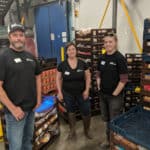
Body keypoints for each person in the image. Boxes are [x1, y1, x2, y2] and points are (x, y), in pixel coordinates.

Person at [0, 23, 41, 150]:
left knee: (27, 142)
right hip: (15, 113)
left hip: (31, 109)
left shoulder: (31, 57)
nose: (18, 38)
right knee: (16, 146)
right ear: (10, 37)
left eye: (21, 35)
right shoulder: (3, 57)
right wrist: (13, 109)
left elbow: (38, 77)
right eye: (15, 35)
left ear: (24, 38)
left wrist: (38, 100)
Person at [96, 32, 128, 148]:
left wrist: (114, 93)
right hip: (103, 95)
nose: (108, 44)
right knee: (107, 121)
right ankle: (109, 141)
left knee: (115, 121)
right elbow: (98, 73)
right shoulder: (101, 57)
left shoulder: (120, 58)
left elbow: (124, 79)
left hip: (115, 97)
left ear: (115, 42)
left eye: (110, 42)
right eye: (105, 42)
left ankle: (114, 144)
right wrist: (99, 86)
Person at [56, 42, 92, 140]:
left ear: (76, 50)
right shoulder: (62, 65)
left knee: (86, 111)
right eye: (69, 50)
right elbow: (58, 79)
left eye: (73, 49)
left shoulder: (83, 63)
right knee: (70, 111)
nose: (71, 51)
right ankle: (72, 130)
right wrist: (59, 92)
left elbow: (88, 77)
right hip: (68, 93)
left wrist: (87, 90)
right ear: (66, 52)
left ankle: (87, 130)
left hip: (82, 93)